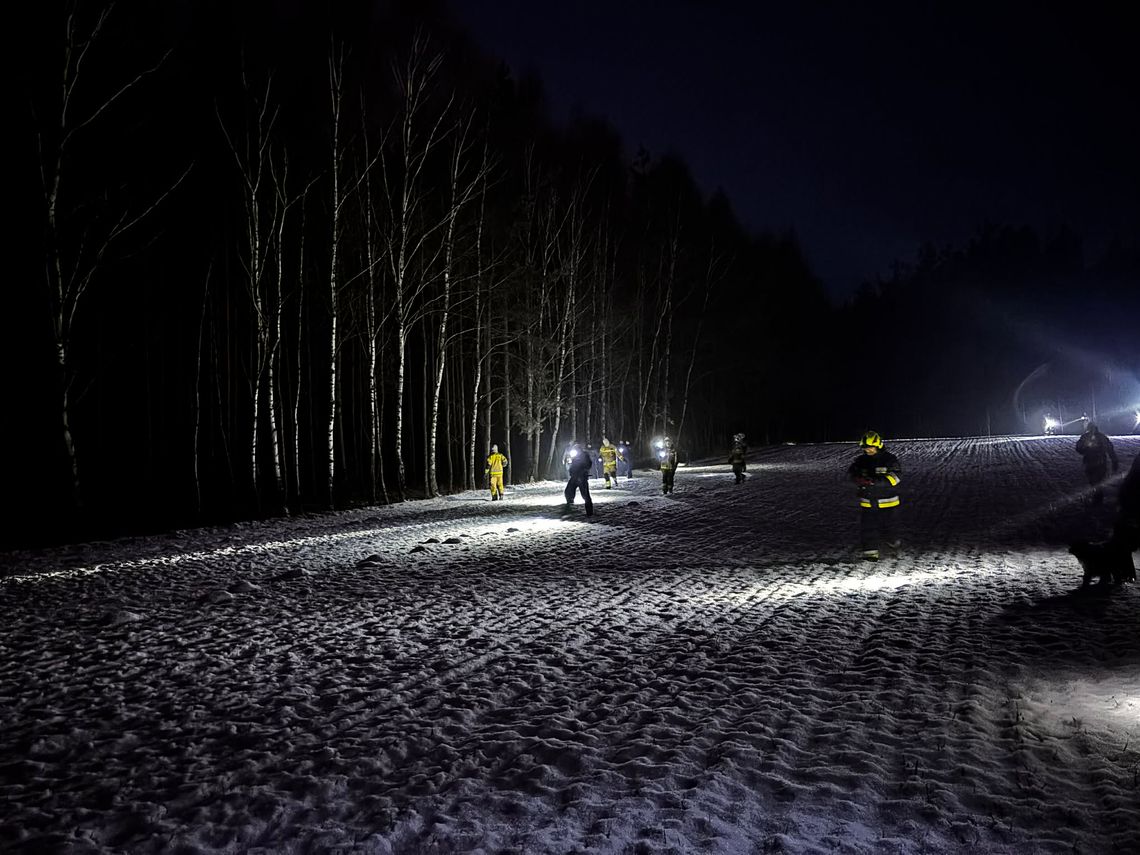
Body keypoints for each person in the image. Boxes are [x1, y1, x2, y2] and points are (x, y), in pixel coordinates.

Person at [847, 430, 902, 561]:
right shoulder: (861, 461)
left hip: (888, 502)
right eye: (866, 448)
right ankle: (870, 555)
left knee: (888, 529)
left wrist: (874, 482)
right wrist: (857, 479)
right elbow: (852, 474)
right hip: (868, 502)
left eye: (871, 447)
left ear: (878, 445)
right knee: (868, 528)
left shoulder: (889, 459)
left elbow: (896, 477)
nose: (868, 450)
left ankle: (893, 544)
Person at [1075, 421, 1119, 506]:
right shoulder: (1100, 437)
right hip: (1098, 462)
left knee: (1095, 481)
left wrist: (1085, 449)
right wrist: (1114, 460)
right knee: (1096, 481)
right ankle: (1098, 496)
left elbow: (1078, 448)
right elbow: (1110, 449)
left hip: (1093, 462)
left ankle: (1097, 497)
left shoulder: (1086, 437)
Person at [564, 441, 594, 515]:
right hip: (574, 476)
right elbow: (571, 464)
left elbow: (589, 464)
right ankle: (570, 505)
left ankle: (589, 512)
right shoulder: (574, 455)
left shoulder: (584, 455)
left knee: (585, 495)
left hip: (582, 477)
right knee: (568, 491)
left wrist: (584, 470)